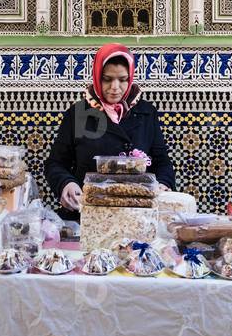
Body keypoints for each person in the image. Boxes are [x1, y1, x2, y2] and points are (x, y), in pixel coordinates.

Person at [44, 42, 176, 216]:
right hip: (89, 212)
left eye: (122, 80)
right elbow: (55, 163)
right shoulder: (78, 114)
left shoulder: (146, 113)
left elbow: (162, 162)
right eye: (107, 79)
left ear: (130, 78)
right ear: (97, 77)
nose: (115, 87)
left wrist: (163, 184)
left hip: (137, 213)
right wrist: (66, 183)